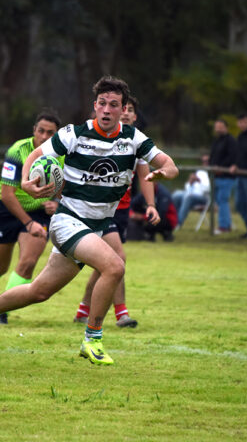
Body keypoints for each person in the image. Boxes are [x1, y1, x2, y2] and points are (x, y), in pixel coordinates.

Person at [0, 75, 178, 365]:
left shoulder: (133, 138)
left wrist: (163, 172)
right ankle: (92, 339)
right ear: (94, 106)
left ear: (123, 110)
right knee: (114, 266)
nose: (107, 110)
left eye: (114, 105)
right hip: (67, 221)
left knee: (39, 291)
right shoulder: (74, 134)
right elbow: (36, 154)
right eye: (102, 103)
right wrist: (26, 180)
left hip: (94, 228)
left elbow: (170, 166)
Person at [72, 97, 153, 328]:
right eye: (122, 108)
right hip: (100, 208)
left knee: (105, 265)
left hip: (122, 210)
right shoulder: (98, 135)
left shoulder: (137, 142)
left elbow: (145, 174)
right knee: (118, 259)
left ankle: (83, 309)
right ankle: (121, 314)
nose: (126, 113)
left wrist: (151, 205)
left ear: (135, 116)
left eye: (129, 110)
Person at [0, 110, 62, 324]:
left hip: (38, 212)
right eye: (41, 131)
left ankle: (0, 311)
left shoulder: (63, 154)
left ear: (57, 135)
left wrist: (58, 203)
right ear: (34, 130)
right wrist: (28, 223)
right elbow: (8, 194)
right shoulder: (18, 151)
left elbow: (66, 188)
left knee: (27, 264)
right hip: (7, 209)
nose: (45, 137)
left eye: (50, 133)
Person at [207, 119, 237, 234]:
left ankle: (224, 226)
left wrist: (221, 167)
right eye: (217, 127)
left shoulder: (231, 141)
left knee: (223, 200)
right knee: (219, 201)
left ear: (226, 127)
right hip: (216, 177)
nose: (219, 129)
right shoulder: (216, 141)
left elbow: (232, 157)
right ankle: (225, 224)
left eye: (221, 127)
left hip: (226, 177)